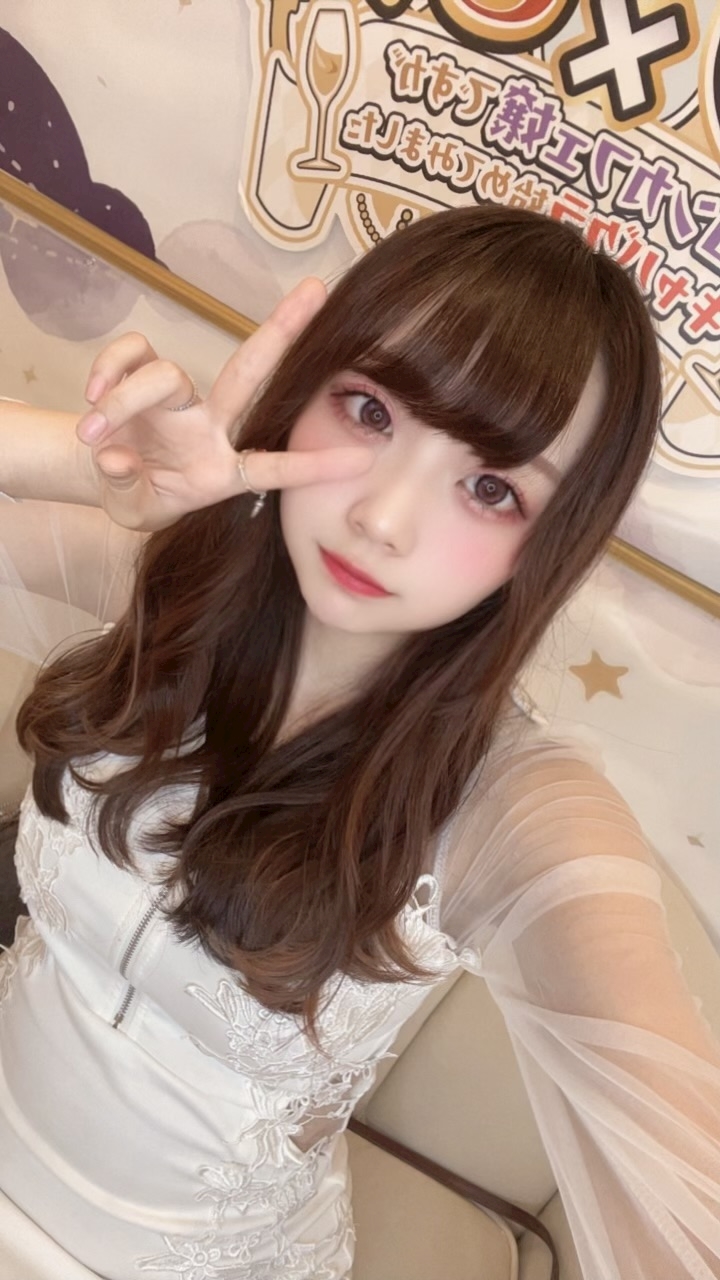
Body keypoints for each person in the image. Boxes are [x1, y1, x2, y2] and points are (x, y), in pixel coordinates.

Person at [0, 203, 719, 1280]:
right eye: (371, 409)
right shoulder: (158, 579)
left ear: (549, 546)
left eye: (490, 486)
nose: (383, 517)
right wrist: (79, 457)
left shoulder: (518, 807)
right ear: (305, 386)